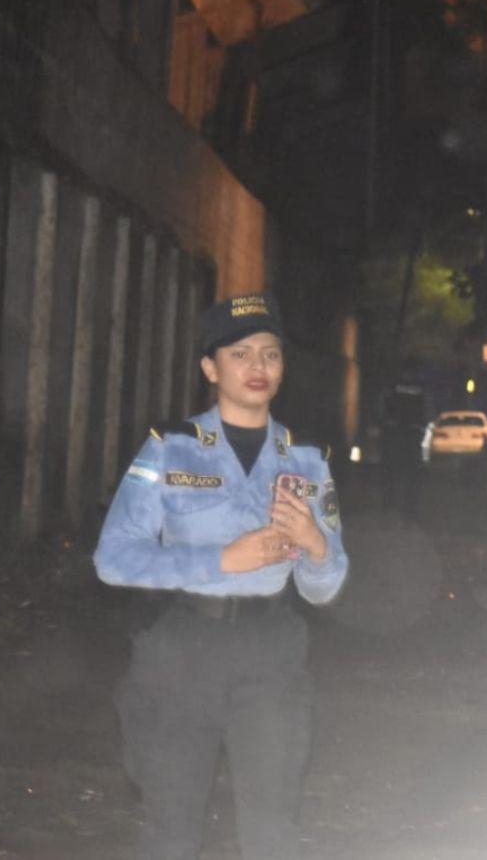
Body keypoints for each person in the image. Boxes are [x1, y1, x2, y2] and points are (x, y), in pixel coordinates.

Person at [95, 292, 348, 860]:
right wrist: (218, 562)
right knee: (171, 832)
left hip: (272, 653)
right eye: (240, 354)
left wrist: (315, 548)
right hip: (182, 652)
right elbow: (114, 558)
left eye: (270, 354)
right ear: (210, 368)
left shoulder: (307, 458)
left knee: (274, 833)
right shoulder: (171, 449)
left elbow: (325, 587)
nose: (258, 367)